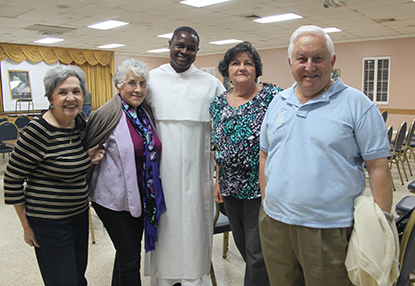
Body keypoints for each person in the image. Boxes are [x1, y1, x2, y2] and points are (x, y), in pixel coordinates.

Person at [259, 25, 393, 286]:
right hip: (276, 224)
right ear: (290, 62)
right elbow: (265, 154)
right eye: (302, 58)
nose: (310, 66)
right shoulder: (278, 101)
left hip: (329, 229)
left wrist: (383, 223)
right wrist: (267, 200)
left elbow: (377, 166)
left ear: (332, 61)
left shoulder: (358, 104)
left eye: (318, 58)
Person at [3, 65, 104, 286]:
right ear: (51, 98)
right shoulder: (37, 132)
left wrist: (87, 159)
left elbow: (69, 163)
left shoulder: (79, 125)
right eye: (62, 92)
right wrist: (26, 226)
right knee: (63, 281)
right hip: (48, 221)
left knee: (78, 277)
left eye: (76, 91)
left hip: (78, 215)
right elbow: (11, 180)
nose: (71, 98)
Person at [143, 26, 225, 286]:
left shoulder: (211, 84)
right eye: (180, 45)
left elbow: (224, 132)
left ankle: (193, 280)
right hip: (160, 176)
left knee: (193, 230)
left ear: (197, 52)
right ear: (170, 44)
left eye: (190, 48)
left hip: (196, 175)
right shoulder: (151, 80)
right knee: (165, 232)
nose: (184, 51)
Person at [83, 58, 166, 286]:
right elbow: (84, 150)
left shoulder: (144, 113)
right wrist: (89, 160)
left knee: (125, 254)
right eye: (131, 83)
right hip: (112, 201)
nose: (138, 89)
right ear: (118, 85)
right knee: (130, 258)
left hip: (141, 197)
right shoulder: (106, 114)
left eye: (142, 84)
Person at [210, 41, 281, 286]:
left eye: (248, 63)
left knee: (256, 252)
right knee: (245, 248)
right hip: (230, 189)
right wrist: (218, 181)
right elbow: (219, 146)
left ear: (256, 69)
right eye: (235, 63)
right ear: (227, 70)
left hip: (259, 187)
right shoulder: (218, 104)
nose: (242, 68)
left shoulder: (272, 97)